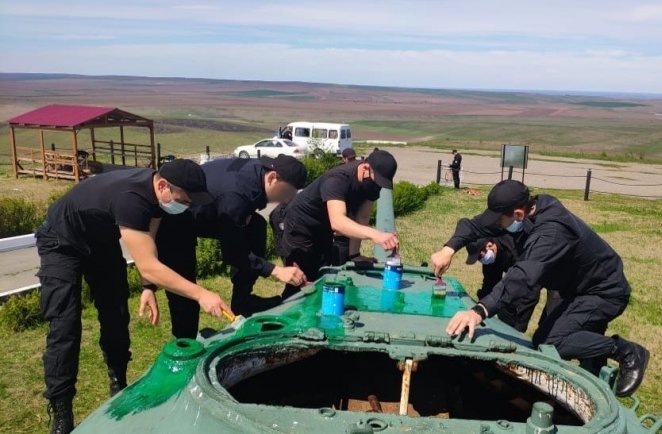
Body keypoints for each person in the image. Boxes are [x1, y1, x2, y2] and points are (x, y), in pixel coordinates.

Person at [35, 160, 232, 434]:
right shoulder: (132, 198)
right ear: (163, 186)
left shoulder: (156, 196)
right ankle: (61, 410)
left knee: (116, 313)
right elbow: (149, 263)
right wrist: (201, 294)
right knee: (65, 325)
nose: (186, 206)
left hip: (100, 242)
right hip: (61, 241)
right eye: (185, 200)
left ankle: (118, 381)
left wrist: (147, 286)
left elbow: (148, 241)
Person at [431, 180, 649, 397]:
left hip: (603, 291)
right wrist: (449, 249)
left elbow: (522, 277)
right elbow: (473, 225)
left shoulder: (552, 233)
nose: (497, 225)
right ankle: (594, 365)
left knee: (551, 343)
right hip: (573, 287)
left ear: (518, 214)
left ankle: (627, 351)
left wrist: (478, 311)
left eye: (500, 219)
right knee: (553, 341)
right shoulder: (531, 207)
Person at [143, 155, 308, 338]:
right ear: (272, 178)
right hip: (176, 220)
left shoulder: (258, 172)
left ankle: (242, 301)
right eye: (286, 193)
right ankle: (185, 343)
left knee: (256, 226)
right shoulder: (236, 195)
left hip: (211, 210)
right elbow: (235, 254)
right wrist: (276, 271)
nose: (286, 200)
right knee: (185, 283)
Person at [280, 150, 399, 298]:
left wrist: (354, 254)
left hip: (323, 228)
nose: (377, 185)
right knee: (300, 281)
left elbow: (362, 216)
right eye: (377, 180)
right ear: (365, 168)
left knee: (321, 276)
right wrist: (376, 235)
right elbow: (337, 221)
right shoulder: (338, 179)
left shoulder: (373, 183)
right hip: (301, 226)